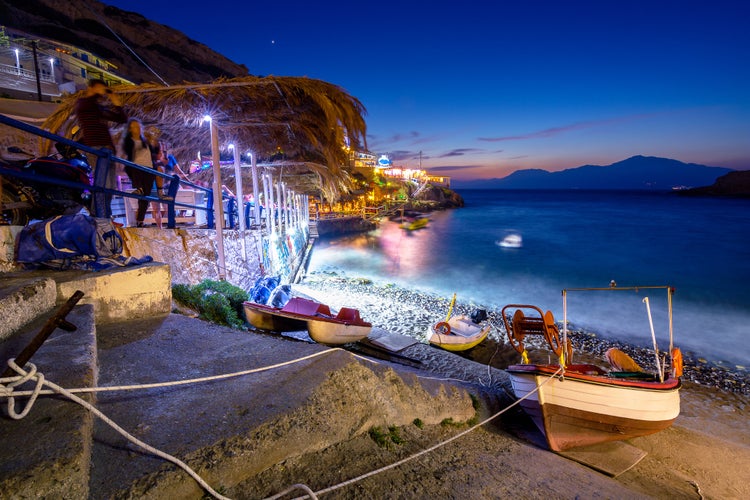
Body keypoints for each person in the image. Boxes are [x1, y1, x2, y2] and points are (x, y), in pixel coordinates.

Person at [75, 78, 127, 217]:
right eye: (100, 87)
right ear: (91, 87)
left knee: (110, 186)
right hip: (95, 146)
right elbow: (88, 104)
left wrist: (116, 103)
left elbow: (122, 119)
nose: (102, 91)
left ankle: (104, 214)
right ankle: (97, 214)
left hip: (107, 148)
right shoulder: (84, 104)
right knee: (101, 184)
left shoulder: (98, 108)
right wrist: (99, 93)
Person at [122, 118, 160, 227]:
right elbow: (127, 152)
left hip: (149, 168)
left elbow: (154, 154)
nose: (137, 129)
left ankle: (140, 220)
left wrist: (156, 145)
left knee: (145, 197)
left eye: (138, 126)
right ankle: (138, 187)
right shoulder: (129, 141)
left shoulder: (145, 142)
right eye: (134, 127)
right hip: (137, 167)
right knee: (141, 190)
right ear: (130, 129)